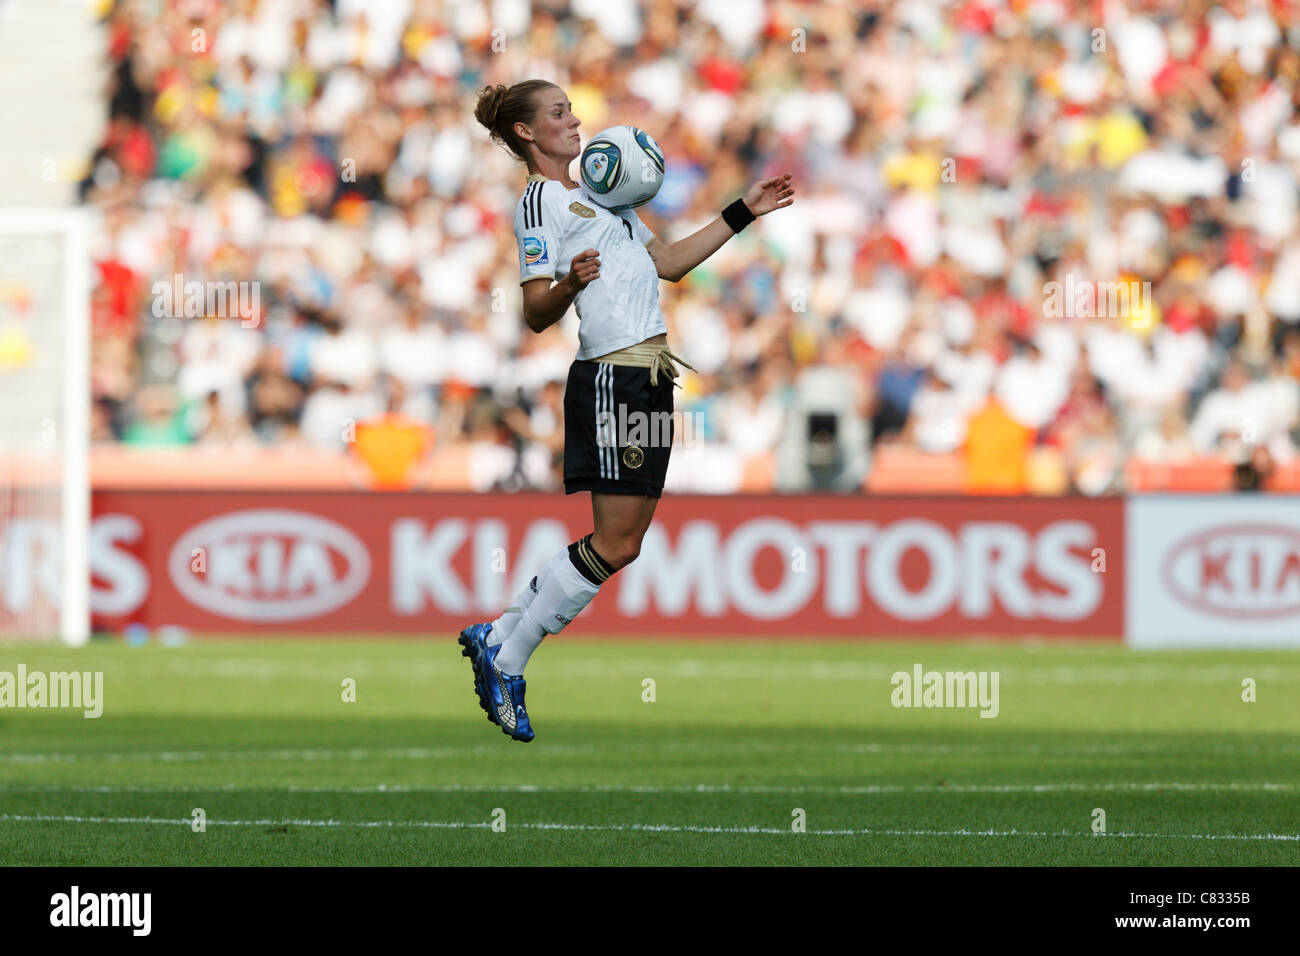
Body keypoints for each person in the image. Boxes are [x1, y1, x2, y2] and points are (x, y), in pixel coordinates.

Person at [460, 80, 794, 741]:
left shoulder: (603, 197)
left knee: (626, 544)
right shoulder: (540, 203)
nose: (574, 119)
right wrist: (568, 282)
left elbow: (667, 263)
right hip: (611, 375)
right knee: (616, 541)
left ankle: (497, 635)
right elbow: (534, 312)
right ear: (527, 133)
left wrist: (742, 213)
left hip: (650, 376)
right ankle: (509, 655)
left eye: (571, 109)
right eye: (558, 113)